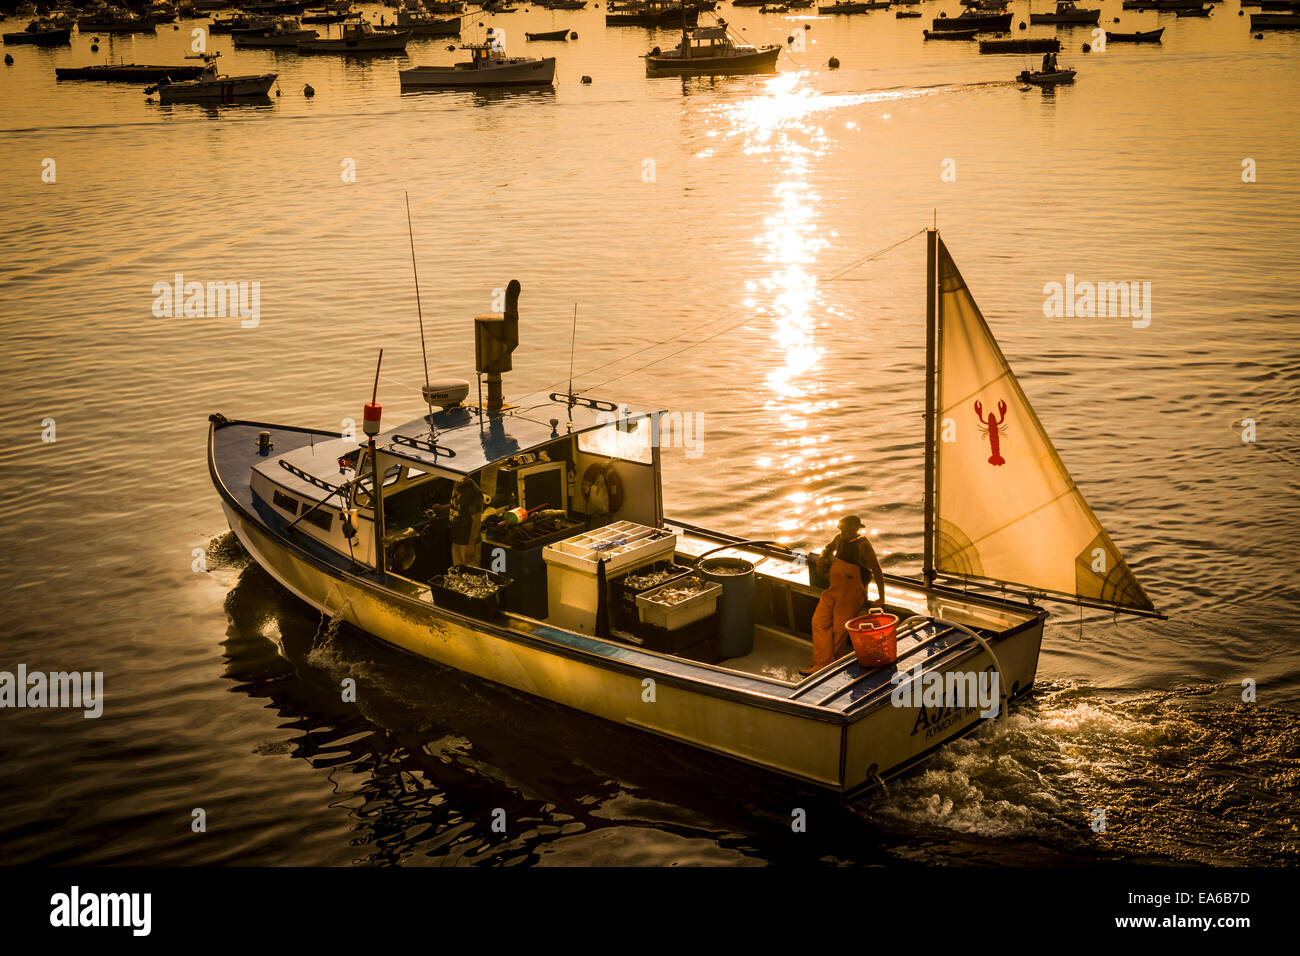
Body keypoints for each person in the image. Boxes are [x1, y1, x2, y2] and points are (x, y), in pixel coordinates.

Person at [801, 515, 885, 676]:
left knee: (840, 631)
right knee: (818, 621)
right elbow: (828, 548)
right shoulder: (838, 539)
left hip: (851, 596)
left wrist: (881, 599)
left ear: (856, 530)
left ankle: (827, 668)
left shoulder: (863, 546)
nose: (843, 533)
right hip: (833, 591)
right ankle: (822, 662)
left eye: (847, 530)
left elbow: (878, 572)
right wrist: (822, 559)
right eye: (841, 530)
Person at [449, 474, 485, 567]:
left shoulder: (474, 493)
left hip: (467, 543)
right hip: (457, 540)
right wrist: (442, 508)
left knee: (471, 576)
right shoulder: (457, 483)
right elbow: (458, 504)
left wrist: (471, 545)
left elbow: (476, 522)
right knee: (457, 573)